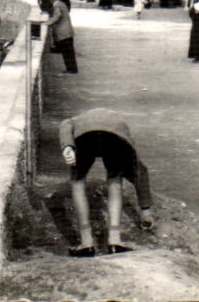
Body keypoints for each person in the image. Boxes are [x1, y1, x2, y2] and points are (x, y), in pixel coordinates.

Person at [59, 108, 154, 257]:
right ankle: (114, 242)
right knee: (115, 181)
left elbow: (65, 124)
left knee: (77, 182)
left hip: (85, 137)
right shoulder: (121, 125)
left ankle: (86, 244)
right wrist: (145, 210)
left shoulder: (76, 119)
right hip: (114, 138)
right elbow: (140, 171)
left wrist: (67, 147)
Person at [43, 0, 77, 74]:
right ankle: (72, 69)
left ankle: (71, 69)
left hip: (63, 32)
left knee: (67, 53)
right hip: (68, 31)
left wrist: (47, 23)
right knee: (69, 52)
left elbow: (57, 16)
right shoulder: (62, 3)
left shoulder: (57, 5)